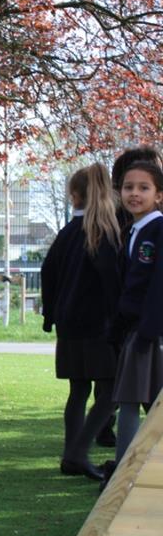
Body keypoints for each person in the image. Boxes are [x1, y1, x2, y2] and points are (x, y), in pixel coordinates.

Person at [41, 163, 121, 481]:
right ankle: (78, 452)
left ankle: (70, 455)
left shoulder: (67, 233)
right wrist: (120, 318)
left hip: (69, 324)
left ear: (74, 196)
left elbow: (48, 273)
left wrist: (50, 314)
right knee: (113, 390)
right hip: (98, 325)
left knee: (78, 390)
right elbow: (111, 280)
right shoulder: (104, 232)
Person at [110, 160, 163, 474]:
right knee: (144, 400)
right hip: (136, 329)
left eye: (144, 188)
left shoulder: (157, 230)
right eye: (129, 187)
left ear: (158, 195)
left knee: (129, 399)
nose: (134, 193)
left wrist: (147, 332)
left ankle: (122, 472)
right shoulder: (133, 230)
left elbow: (158, 285)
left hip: (148, 331)